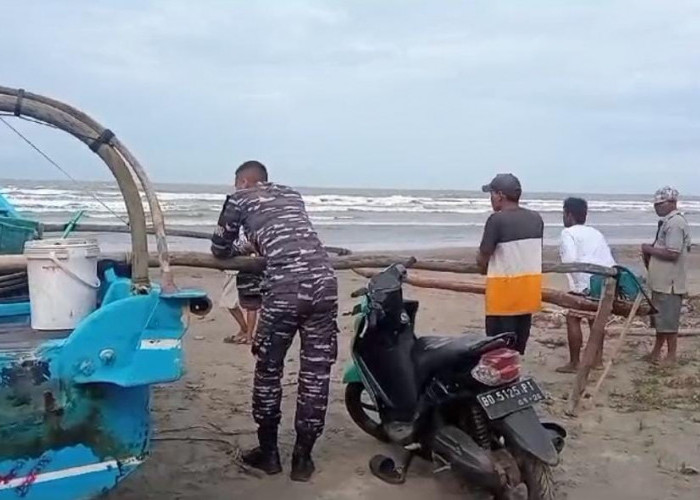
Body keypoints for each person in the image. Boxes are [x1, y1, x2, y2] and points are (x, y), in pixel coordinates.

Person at [211, 160, 338, 482]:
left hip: (285, 290)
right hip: (324, 284)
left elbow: (219, 248)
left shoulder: (238, 199)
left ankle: (268, 454)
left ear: (242, 182)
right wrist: (251, 244)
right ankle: (302, 459)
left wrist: (238, 249)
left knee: (268, 369)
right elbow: (279, 237)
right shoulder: (291, 196)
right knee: (316, 374)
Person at [477, 173, 544, 354]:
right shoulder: (536, 219)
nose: (490, 199)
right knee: (516, 349)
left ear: (500, 195)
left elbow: (483, 257)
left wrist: (482, 267)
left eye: (491, 194)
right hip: (527, 295)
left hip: (503, 296)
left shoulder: (496, 220)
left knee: (497, 349)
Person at [556, 197, 616, 373]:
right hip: (602, 283)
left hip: (583, 284)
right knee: (595, 321)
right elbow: (608, 259)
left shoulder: (568, 233)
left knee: (573, 318)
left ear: (569, 214)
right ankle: (597, 360)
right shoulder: (596, 233)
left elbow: (570, 261)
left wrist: (577, 288)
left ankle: (575, 362)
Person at [642, 186, 691, 366]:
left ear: (671, 203)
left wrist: (649, 249)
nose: (657, 207)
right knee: (660, 321)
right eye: (656, 204)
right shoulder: (667, 221)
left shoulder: (675, 223)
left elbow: (673, 253)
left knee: (669, 322)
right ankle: (656, 352)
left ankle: (671, 356)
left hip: (670, 283)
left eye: (660, 204)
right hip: (661, 282)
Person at [219, 230, 262, 344]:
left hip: (236, 269)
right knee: (248, 305)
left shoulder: (240, 228)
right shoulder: (249, 227)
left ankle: (246, 331)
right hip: (243, 268)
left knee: (230, 301)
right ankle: (246, 332)